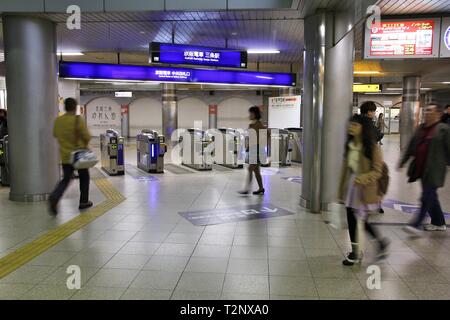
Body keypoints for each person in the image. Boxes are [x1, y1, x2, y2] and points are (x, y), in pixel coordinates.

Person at [338, 114, 390, 266]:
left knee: (363, 221)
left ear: (363, 128)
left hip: (365, 188)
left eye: (355, 125)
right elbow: (345, 169)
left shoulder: (372, 148)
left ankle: (380, 243)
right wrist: (340, 190)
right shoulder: (350, 145)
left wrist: (363, 178)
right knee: (352, 219)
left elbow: (378, 171)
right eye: (350, 125)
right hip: (351, 186)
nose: (351, 128)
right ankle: (355, 252)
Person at [399, 104, 450, 234]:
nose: (427, 113)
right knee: (431, 197)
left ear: (438, 114)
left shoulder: (443, 129)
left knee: (426, 197)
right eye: (426, 110)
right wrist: (403, 161)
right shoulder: (421, 128)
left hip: (435, 170)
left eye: (431, 111)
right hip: (421, 169)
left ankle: (415, 225)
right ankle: (439, 223)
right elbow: (411, 146)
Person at [49, 98, 92, 215]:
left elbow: (55, 134)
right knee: (84, 177)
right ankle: (83, 201)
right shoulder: (78, 120)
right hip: (79, 155)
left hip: (65, 155)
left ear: (65, 107)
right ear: (75, 107)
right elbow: (87, 136)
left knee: (66, 179)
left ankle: (55, 196)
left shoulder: (58, 121)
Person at [360, 101, 385, 214]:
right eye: (373, 111)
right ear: (369, 112)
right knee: (376, 181)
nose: (374, 113)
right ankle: (374, 204)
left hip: (361, 157)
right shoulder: (368, 124)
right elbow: (377, 135)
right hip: (369, 156)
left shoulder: (357, 121)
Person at [239, 106, 266, 195]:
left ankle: (247, 189)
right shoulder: (252, 124)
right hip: (253, 150)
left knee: (250, 169)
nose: (249, 115)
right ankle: (261, 188)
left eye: (251, 113)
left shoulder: (259, 125)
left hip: (258, 150)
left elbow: (267, 135)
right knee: (256, 171)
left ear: (255, 114)